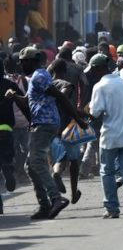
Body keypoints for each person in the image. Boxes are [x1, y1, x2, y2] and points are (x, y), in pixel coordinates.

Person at [6, 47, 87, 220]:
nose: (21, 65)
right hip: (42, 124)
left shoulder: (40, 76)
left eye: (23, 62)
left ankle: (56, 198)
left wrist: (77, 118)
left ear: (31, 61)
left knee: (36, 161)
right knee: (31, 165)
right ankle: (45, 205)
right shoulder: (36, 77)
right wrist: (14, 97)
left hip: (45, 124)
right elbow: (28, 103)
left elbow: (60, 96)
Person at [87, 54, 123, 218]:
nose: (93, 73)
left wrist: (85, 111)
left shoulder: (100, 86)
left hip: (112, 135)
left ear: (99, 69)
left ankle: (112, 208)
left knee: (107, 171)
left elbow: (95, 112)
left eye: (94, 70)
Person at [49, 59, 82, 203]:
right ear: (65, 71)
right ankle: (74, 193)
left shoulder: (47, 85)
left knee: (58, 158)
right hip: (67, 126)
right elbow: (67, 103)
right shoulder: (66, 85)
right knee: (73, 160)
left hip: (50, 126)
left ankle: (56, 175)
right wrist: (82, 115)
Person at [0, 60, 30, 214]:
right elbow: (23, 102)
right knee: (6, 157)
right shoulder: (8, 84)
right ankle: (8, 169)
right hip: (5, 129)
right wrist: (30, 120)